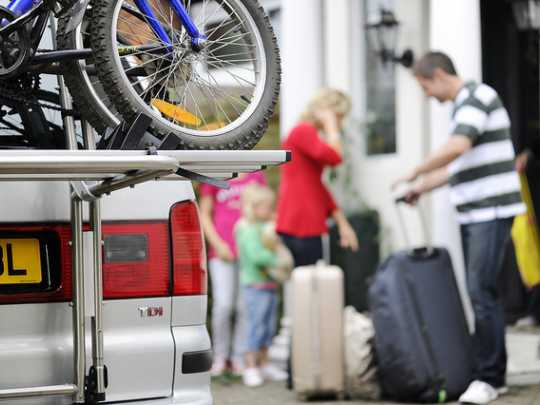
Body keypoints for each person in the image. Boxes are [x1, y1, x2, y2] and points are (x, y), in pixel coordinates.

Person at [393, 51, 525, 405]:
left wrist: (415, 170)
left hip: (491, 209)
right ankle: (491, 375)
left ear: (438, 74)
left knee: (482, 292)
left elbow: (457, 147)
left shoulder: (476, 97)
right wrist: (419, 189)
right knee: (483, 292)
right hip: (476, 211)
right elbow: (460, 166)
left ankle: (489, 378)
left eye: (425, 87)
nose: (428, 96)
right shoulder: (462, 106)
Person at [276, 88, 359, 266]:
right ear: (330, 112)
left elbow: (316, 186)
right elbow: (335, 158)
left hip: (302, 222)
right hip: (302, 224)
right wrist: (331, 127)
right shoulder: (303, 131)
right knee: (310, 286)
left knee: (309, 286)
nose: (341, 124)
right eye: (340, 117)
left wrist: (342, 223)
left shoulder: (306, 133)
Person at [199, 172, 267, 376]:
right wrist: (218, 245)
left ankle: (239, 357)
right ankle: (220, 357)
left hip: (249, 255)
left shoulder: (256, 175)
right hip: (221, 254)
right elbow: (204, 214)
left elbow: (264, 209)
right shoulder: (215, 174)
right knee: (223, 305)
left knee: (244, 306)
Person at [235, 184, 289, 387]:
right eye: (268, 207)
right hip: (255, 287)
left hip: (269, 286)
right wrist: (278, 261)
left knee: (268, 328)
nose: (271, 211)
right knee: (255, 328)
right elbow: (257, 256)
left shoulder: (264, 227)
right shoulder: (247, 229)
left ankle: (264, 364)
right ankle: (250, 367)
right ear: (254, 207)